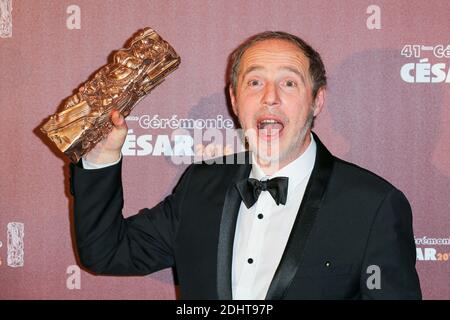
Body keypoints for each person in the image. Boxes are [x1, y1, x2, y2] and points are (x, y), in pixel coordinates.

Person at [70, 31, 422, 299]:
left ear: (317, 101)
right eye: (255, 82)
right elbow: (107, 252)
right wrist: (101, 157)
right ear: (235, 100)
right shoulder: (200, 184)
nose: (270, 97)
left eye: (288, 82)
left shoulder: (373, 205)